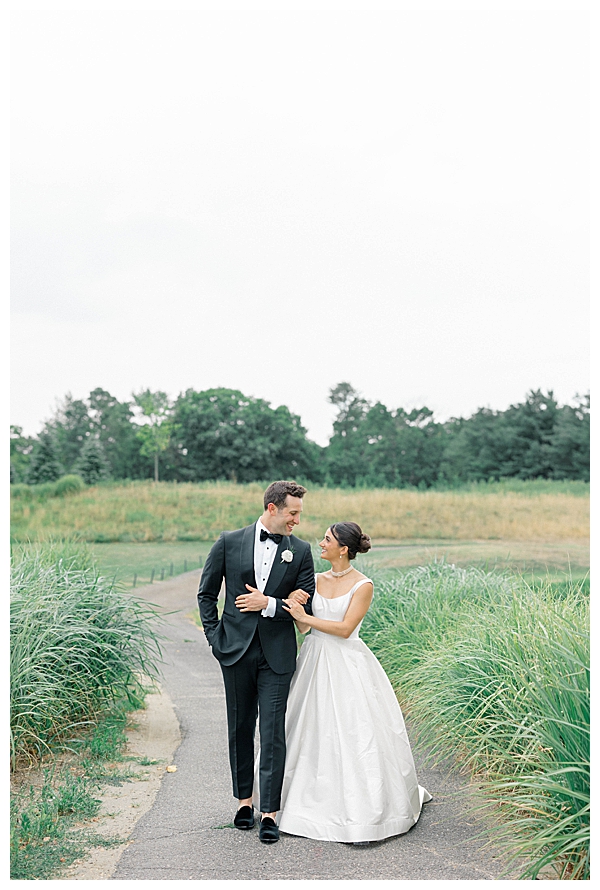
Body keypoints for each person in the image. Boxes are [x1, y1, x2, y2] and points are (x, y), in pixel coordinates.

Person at [275, 521, 432, 843]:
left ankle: (361, 807)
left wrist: (306, 618)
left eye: (327, 539)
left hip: (347, 661)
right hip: (314, 659)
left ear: (343, 549)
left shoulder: (363, 585)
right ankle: (298, 799)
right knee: (308, 728)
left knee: (352, 730)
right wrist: (295, 610)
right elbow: (306, 630)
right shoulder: (315, 580)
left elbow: (346, 629)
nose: (321, 543)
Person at [197, 480, 315, 844]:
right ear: (272, 508)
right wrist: (217, 639)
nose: (297, 519)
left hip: (277, 655)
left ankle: (270, 812)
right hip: (235, 651)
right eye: (292, 512)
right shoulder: (229, 542)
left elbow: (305, 605)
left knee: (272, 733)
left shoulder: (301, 551)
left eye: (298, 513)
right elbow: (206, 594)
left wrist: (271, 603)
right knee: (240, 727)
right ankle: (244, 802)